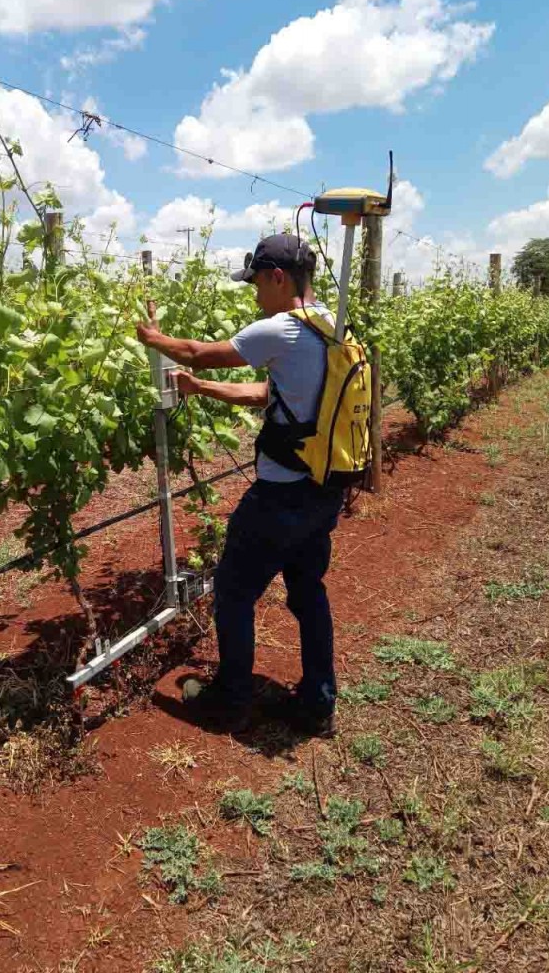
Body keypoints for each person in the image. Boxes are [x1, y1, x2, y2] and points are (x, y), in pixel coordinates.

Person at [136, 233, 344, 737]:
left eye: (256, 283)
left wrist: (155, 339)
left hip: (280, 498)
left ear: (277, 277)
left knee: (232, 591)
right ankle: (318, 701)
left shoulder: (281, 329)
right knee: (307, 590)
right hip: (323, 488)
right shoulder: (332, 326)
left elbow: (202, 352)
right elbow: (270, 394)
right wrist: (200, 389)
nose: (254, 294)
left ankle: (229, 701)